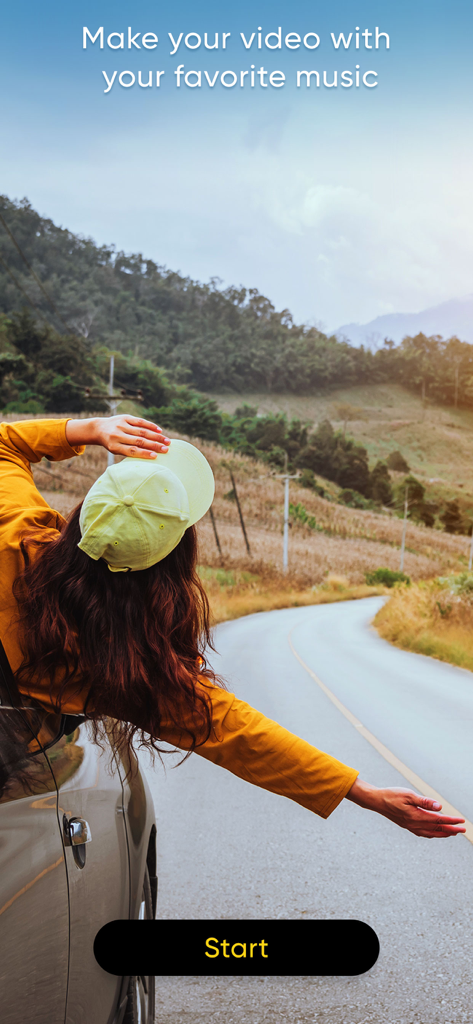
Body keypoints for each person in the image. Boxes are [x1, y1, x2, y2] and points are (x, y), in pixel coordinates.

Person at [0, 413, 465, 841]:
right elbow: (234, 731)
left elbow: (4, 445)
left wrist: (90, 429)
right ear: (170, 564)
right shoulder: (127, 666)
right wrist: (364, 793)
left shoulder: (14, 530)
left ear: (85, 511)